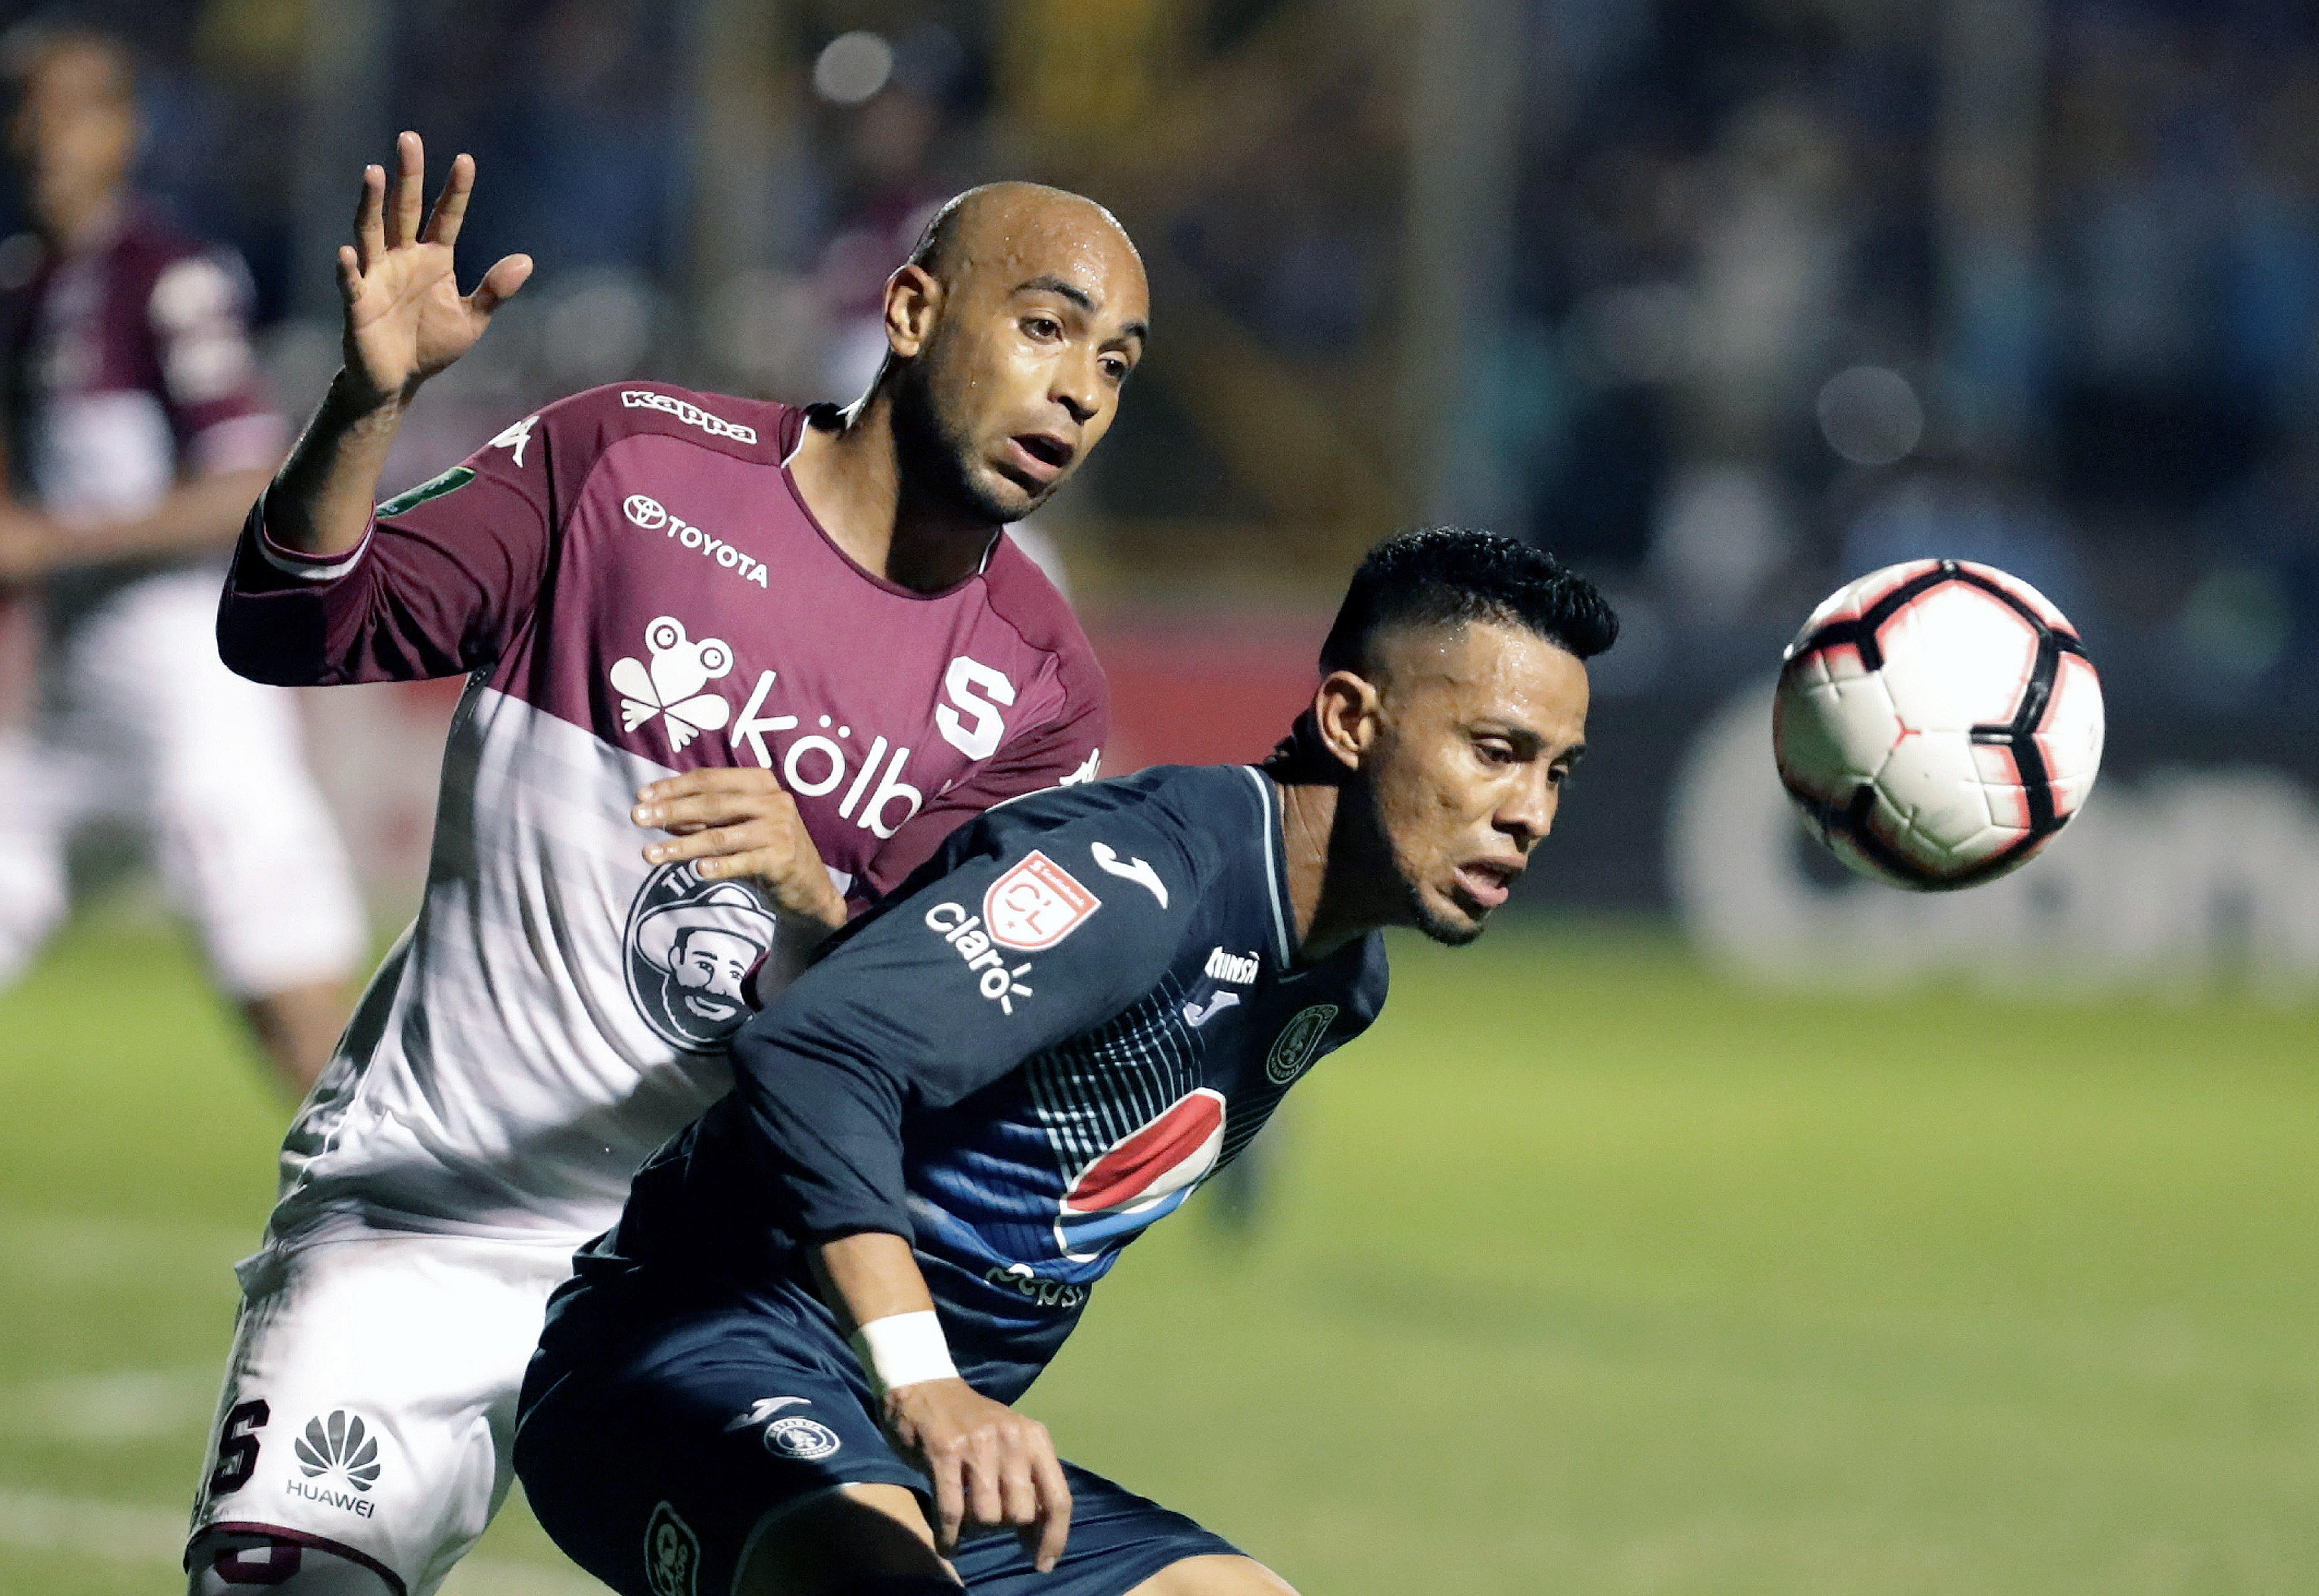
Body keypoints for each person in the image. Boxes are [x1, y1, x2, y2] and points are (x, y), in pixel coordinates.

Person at [187, 131, 1147, 1596]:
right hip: (426, 1218)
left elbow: (962, 1056)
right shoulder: (627, 461)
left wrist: (826, 902)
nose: (1080, 390)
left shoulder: (1042, 688)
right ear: (909, 313)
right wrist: (370, 404)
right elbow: (292, 625)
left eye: (1118, 366)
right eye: (1045, 329)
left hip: (707, 1299)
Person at [510, 529, 1617, 1596]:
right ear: (1350, 717)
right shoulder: (1147, 878)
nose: (1532, 813)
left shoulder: (1341, 985)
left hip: (923, 1452)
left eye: (1557, 773)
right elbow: (818, 1050)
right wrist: (925, 1379)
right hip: (686, 1362)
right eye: (1497, 752)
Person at [0, 24, 364, 1095]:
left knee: (280, 974)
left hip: (187, 666)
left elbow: (246, 486)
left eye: (69, 110)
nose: (39, 136)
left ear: (124, 131)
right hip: (73, 690)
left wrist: (48, 542)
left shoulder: (166, 275)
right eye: (21, 108)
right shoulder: (20, 292)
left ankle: (406, 1216)